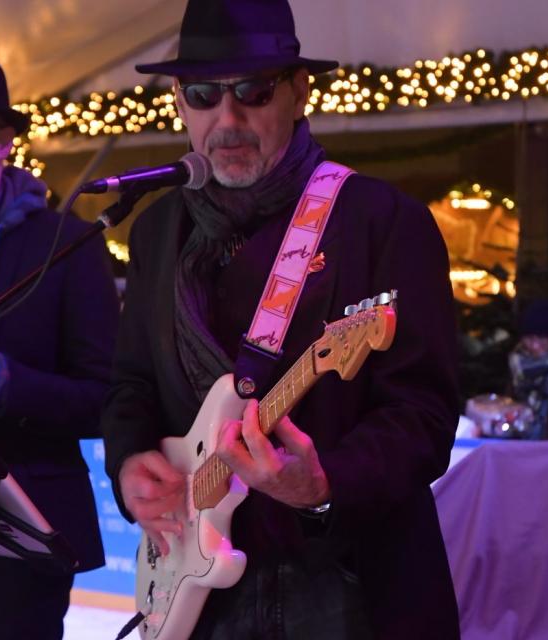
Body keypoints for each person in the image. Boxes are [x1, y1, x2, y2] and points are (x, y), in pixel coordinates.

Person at [101, 1, 460, 638]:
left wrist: (323, 482)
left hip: (347, 582)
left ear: (299, 91)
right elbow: (131, 383)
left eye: (253, 90)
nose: (227, 118)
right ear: (179, 101)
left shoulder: (380, 219)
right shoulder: (156, 229)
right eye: (204, 94)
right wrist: (130, 463)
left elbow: (424, 416)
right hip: (201, 593)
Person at [0, 48, 119, 639]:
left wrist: (0, 383)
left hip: (21, 541)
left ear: (6, 141)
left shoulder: (68, 244)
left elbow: (107, 397)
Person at [509, 297, 548, 440]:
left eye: (541, 338)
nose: (534, 345)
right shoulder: (519, 367)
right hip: (525, 449)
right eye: (529, 338)